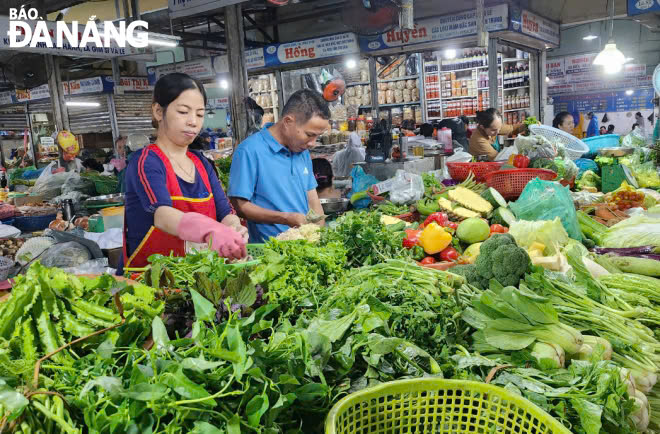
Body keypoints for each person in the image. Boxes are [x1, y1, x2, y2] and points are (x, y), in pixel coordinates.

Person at [119, 72, 247, 274]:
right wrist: (211, 231)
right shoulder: (146, 162)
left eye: (199, 114)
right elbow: (163, 215)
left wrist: (234, 228)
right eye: (183, 112)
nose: (193, 122)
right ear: (158, 112)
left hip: (198, 278)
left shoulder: (202, 163)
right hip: (151, 282)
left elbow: (225, 212)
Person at [228, 89, 329, 243]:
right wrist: (286, 218)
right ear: (288, 122)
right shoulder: (249, 151)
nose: (313, 143)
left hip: (306, 250)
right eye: (309, 135)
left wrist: (322, 238)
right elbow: (241, 206)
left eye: (317, 136)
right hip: (269, 254)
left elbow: (313, 200)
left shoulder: (302, 152)